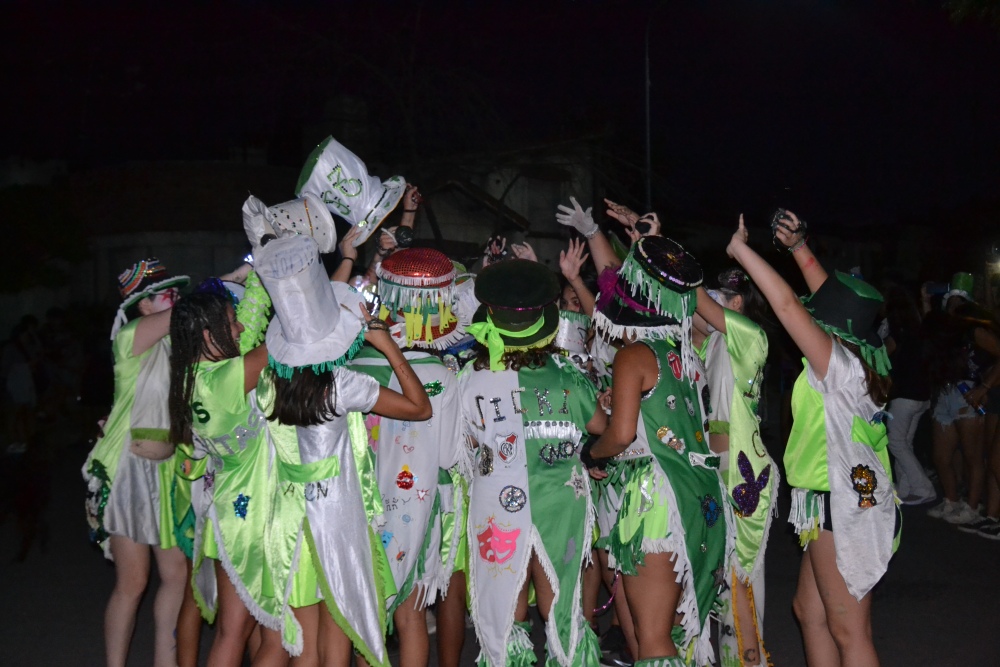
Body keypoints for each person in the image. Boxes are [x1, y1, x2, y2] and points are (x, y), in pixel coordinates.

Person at [727, 214, 896, 667]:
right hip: (837, 498)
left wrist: (741, 250)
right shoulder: (863, 356)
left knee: (850, 631)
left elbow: (786, 306)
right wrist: (800, 247)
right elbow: (836, 302)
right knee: (810, 612)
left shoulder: (835, 365)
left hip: (842, 503)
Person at [257, 233, 431, 667]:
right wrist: (388, 345)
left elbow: (311, 310)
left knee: (299, 640)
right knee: (339, 626)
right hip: (335, 517)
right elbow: (419, 407)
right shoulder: (340, 385)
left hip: (284, 518)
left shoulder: (265, 384)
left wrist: (350, 260)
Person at [586, 235, 728, 667]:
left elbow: (623, 435)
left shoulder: (633, 355)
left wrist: (593, 453)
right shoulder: (687, 354)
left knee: (653, 639)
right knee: (671, 629)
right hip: (699, 493)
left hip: (655, 500)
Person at [460, 258, 606, 667]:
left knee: (506, 608)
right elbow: (598, 424)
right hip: (561, 500)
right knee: (560, 602)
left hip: (496, 502)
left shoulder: (472, 377)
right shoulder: (565, 374)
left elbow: (465, 445)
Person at [348, 246, 467, 667]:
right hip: (417, 509)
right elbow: (452, 454)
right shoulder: (440, 375)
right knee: (411, 615)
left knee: (368, 618)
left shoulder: (348, 368)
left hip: (358, 510)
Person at [168, 276, 285, 667]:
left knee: (232, 632)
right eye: (230, 321)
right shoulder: (228, 378)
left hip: (226, 510)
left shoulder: (190, 378)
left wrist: (260, 278)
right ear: (207, 333)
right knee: (275, 634)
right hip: (254, 517)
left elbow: (252, 328)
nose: (237, 327)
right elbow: (287, 338)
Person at [82, 258, 190, 667]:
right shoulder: (132, 335)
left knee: (178, 577)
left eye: (176, 290)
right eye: (164, 291)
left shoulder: (170, 342)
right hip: (127, 466)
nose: (175, 296)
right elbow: (190, 311)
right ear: (142, 305)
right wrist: (235, 278)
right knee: (134, 580)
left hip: (164, 467)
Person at [694, 267, 775, 667]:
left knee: (741, 581)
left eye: (715, 295)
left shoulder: (748, 336)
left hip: (743, 476)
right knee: (718, 578)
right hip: (716, 470)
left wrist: (665, 251)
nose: (704, 300)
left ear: (736, 303)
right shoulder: (713, 344)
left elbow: (696, 301)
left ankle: (748, 660)